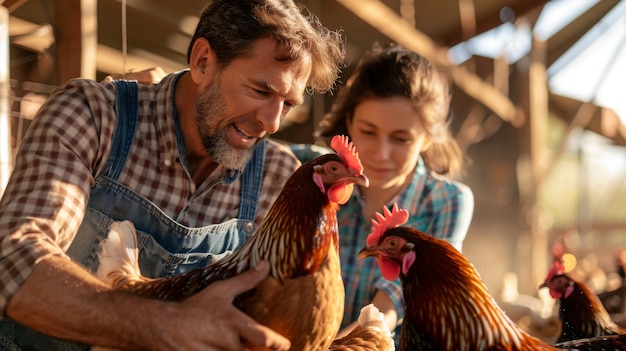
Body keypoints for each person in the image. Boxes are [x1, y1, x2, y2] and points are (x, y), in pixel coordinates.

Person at [0, 1, 345, 350]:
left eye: (287, 104)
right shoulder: (94, 115)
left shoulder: (276, 176)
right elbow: (14, 260)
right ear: (203, 62)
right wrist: (162, 324)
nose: (272, 123)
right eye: (260, 91)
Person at [291, 42, 474, 345]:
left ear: (427, 139)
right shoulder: (315, 173)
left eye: (401, 139)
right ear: (349, 122)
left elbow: (389, 306)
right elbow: (257, 147)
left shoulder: (447, 202)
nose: (380, 153)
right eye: (368, 131)